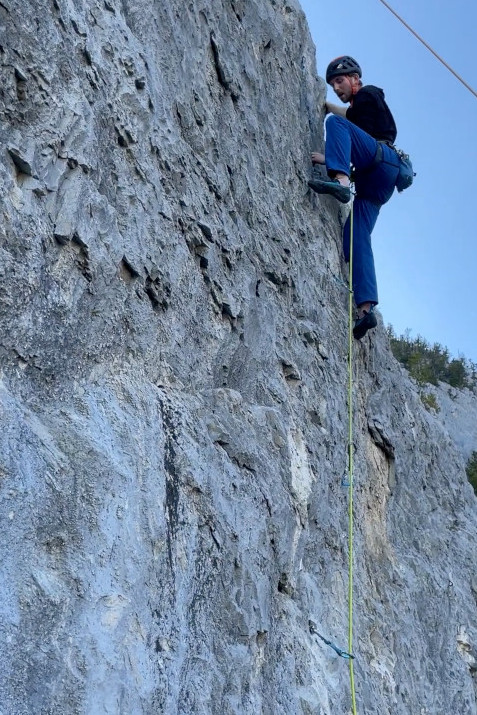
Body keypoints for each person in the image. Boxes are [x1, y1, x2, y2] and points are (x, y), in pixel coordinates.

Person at [308, 56, 400, 340]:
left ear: (355, 78)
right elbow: (356, 122)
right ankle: (365, 309)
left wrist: (333, 161)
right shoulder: (362, 107)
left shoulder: (369, 94)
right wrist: (328, 107)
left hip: (380, 161)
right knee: (355, 237)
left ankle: (341, 182)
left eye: (340, 81)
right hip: (379, 182)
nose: (336, 87)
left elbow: (351, 123)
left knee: (335, 124)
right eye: (333, 84)